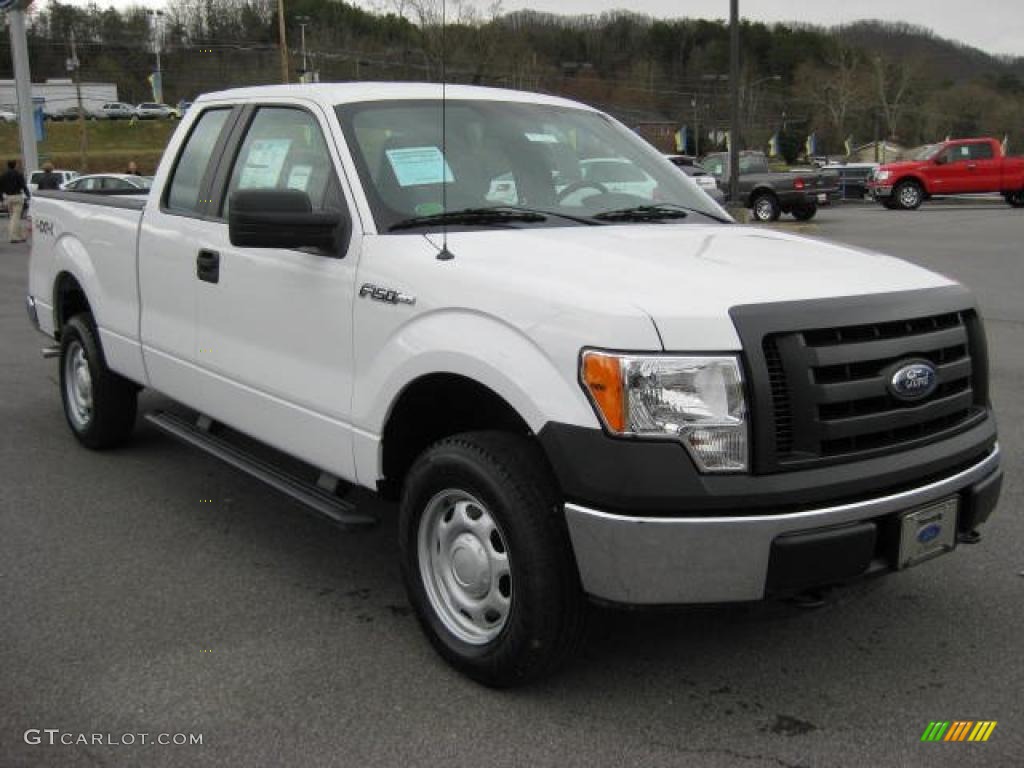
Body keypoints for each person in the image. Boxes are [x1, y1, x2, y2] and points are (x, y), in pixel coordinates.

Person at [0, 159, 31, 243]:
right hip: (17, 196)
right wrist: (28, 195)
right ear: (15, 165)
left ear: (8, 165)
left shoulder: (3, 175)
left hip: (8, 197)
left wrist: (1, 199)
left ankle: (19, 235)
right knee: (16, 217)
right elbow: (23, 186)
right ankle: (14, 237)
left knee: (13, 217)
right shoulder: (18, 174)